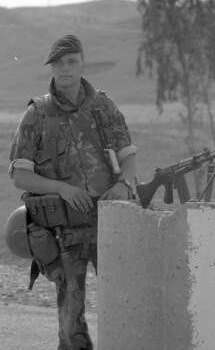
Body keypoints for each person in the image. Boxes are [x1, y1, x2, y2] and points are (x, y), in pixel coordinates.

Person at [8, 34, 138, 350]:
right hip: (64, 231)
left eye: (71, 62)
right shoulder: (37, 114)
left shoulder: (103, 106)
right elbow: (20, 175)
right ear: (51, 67)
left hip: (109, 223)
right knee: (71, 315)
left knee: (127, 303)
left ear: (82, 63)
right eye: (59, 63)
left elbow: (127, 155)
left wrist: (124, 183)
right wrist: (62, 189)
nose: (65, 69)